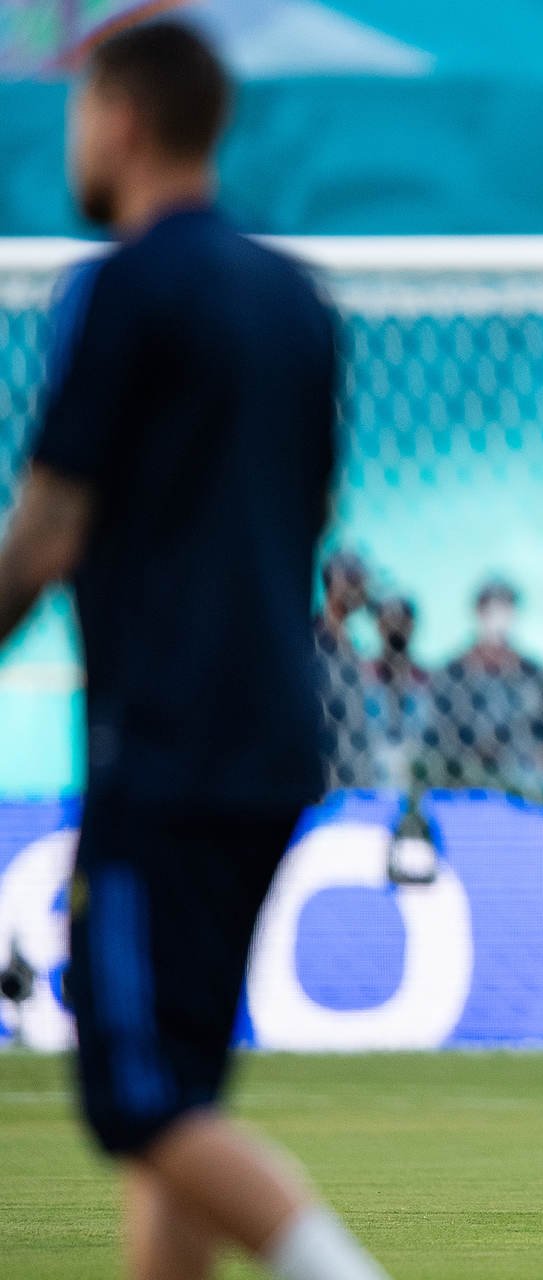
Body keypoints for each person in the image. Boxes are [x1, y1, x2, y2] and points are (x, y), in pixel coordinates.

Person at [0, 20, 389, 1279]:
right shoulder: (297, 300)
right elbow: (308, 517)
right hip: (276, 740)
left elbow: (49, 528)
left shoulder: (122, 288)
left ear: (120, 118)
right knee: (178, 1096)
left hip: (163, 743)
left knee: (133, 1101)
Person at [430, 577, 543, 791]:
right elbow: (435, 737)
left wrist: (532, 766)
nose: (498, 620)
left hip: (523, 789)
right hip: (462, 789)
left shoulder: (540, 679)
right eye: (491, 611)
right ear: (478, 613)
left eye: (505, 609)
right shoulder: (449, 677)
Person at [314, 549, 375, 789]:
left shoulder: (351, 647)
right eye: (353, 579)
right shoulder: (313, 641)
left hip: (351, 775)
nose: (360, 588)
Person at [364, 596, 431, 789]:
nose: (395, 628)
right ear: (379, 626)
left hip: (415, 768)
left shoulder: (424, 679)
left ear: (412, 626)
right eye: (388, 621)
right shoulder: (364, 677)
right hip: (371, 771)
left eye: (401, 621)